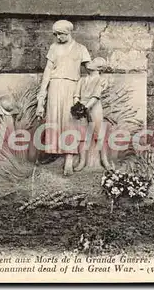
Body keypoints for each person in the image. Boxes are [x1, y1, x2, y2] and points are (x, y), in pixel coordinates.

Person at [36, 20, 91, 176]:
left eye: (61, 34)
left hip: (72, 86)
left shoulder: (81, 49)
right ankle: (53, 151)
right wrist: (42, 94)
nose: (58, 37)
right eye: (56, 34)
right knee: (53, 119)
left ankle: (69, 158)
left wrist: (100, 79)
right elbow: (48, 70)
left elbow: (90, 69)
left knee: (70, 121)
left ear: (69, 32)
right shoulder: (54, 48)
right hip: (55, 85)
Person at [73, 57, 111, 171]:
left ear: (99, 68)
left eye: (93, 62)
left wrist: (85, 107)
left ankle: (105, 161)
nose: (90, 62)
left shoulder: (101, 80)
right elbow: (76, 95)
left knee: (99, 134)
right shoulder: (82, 80)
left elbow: (95, 96)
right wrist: (77, 106)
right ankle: (82, 161)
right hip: (81, 109)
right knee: (81, 135)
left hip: (94, 108)